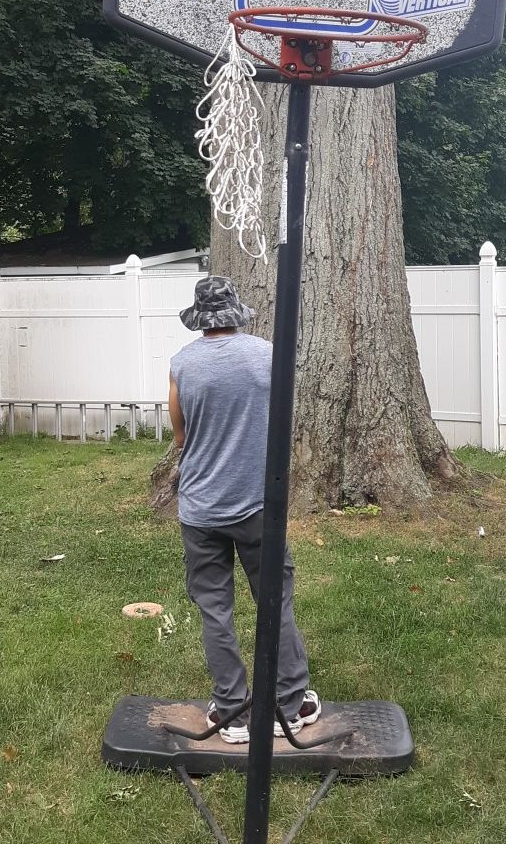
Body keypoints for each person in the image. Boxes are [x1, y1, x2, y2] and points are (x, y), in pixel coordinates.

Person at [169, 275, 320, 744]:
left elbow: (179, 437)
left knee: (214, 608)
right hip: (258, 506)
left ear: (199, 319)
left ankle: (231, 712)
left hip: (199, 508)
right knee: (274, 598)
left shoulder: (182, 364)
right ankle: (289, 706)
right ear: (235, 312)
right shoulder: (267, 356)